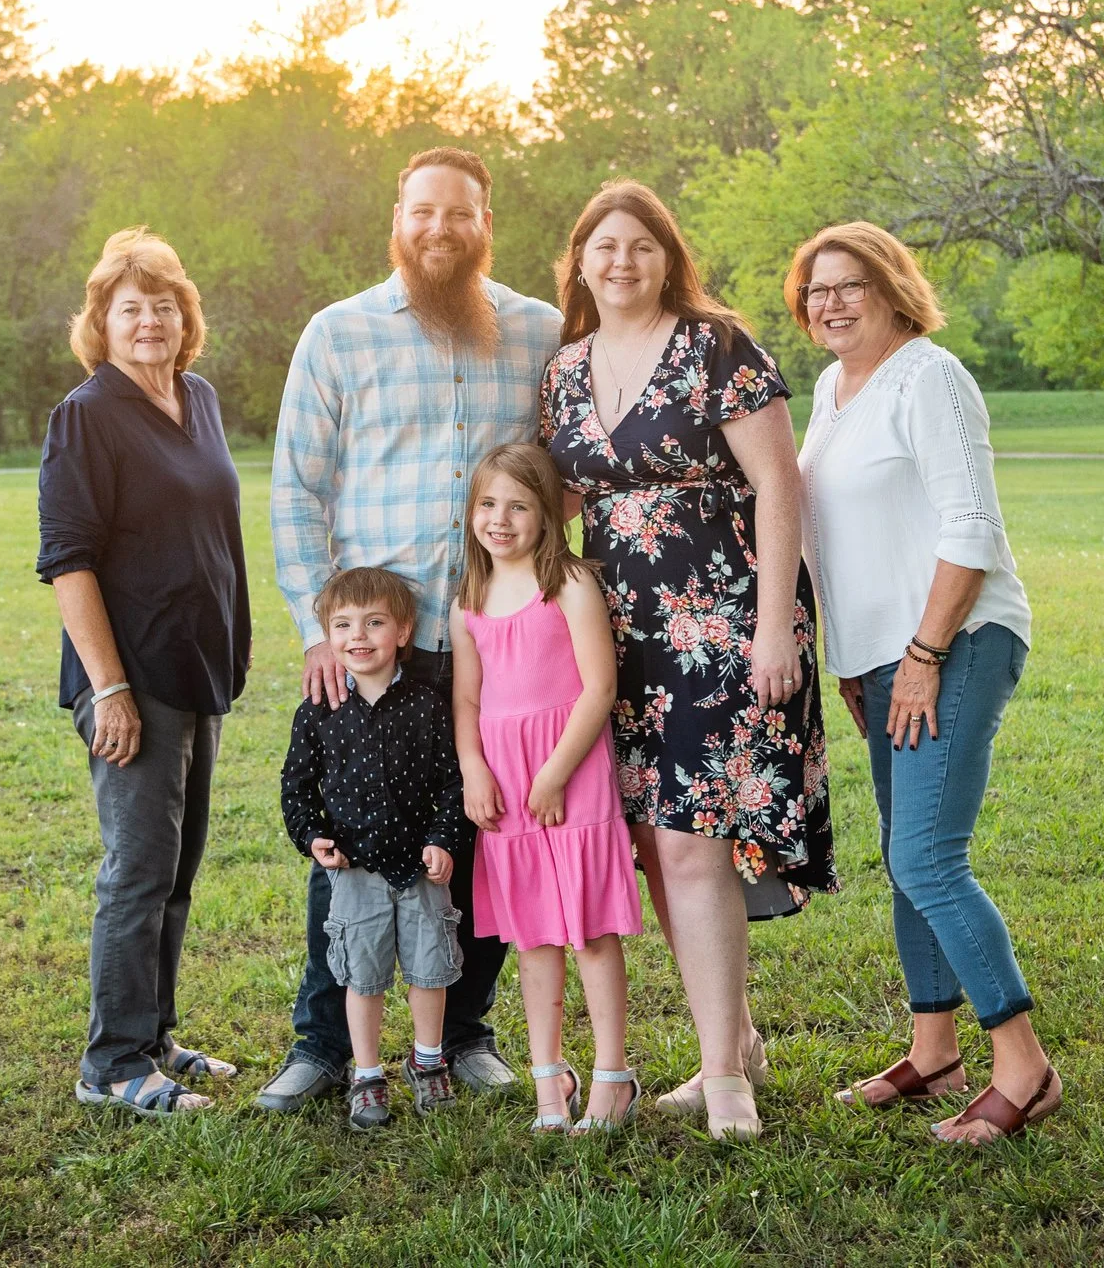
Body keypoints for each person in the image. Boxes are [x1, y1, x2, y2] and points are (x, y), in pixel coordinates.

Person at [259, 146, 565, 1113]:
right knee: (346, 836)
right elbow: (296, 488)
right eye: (424, 210)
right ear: (397, 215)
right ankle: (323, 1041)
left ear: (486, 221)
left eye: (461, 213)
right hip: (377, 645)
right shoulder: (339, 334)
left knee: (476, 836)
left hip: (493, 639)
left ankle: (463, 1031)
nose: (442, 228)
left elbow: (571, 473)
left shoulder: (537, 332)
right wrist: (320, 632)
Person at [538, 180, 833, 1142]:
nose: (622, 262)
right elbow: (570, 504)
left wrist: (776, 622)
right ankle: (733, 1040)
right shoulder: (564, 369)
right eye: (604, 246)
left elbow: (778, 485)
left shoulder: (718, 347)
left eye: (641, 246)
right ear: (579, 261)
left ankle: (723, 1080)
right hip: (615, 636)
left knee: (691, 841)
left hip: (720, 621)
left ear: (669, 258)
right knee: (655, 847)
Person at [789, 221, 1062, 1142]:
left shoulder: (930, 375)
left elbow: (971, 526)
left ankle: (1025, 1068)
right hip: (883, 658)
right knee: (909, 859)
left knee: (928, 857)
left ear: (892, 286)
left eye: (849, 284)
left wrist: (922, 653)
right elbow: (841, 534)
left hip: (957, 639)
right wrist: (858, 662)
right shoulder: (833, 386)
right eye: (816, 289)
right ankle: (935, 1051)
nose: (830, 301)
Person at [35, 227, 250, 1118]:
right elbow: (67, 559)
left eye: (164, 305)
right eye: (131, 309)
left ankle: (155, 1034)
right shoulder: (86, 415)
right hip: (134, 682)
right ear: (103, 323)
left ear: (184, 316)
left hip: (196, 673)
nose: (150, 321)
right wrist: (109, 687)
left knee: (177, 866)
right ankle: (113, 1062)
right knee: (136, 870)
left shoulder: (196, 398)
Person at [449, 443, 643, 1135]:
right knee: (532, 936)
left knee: (587, 928)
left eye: (519, 505)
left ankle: (613, 1077)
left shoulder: (569, 583)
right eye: (488, 504)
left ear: (548, 513)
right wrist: (474, 767)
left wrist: (555, 773)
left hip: (569, 771)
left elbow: (600, 687)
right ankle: (547, 1080)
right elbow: (467, 702)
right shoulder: (468, 600)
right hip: (504, 781)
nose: (500, 519)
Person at [279, 567, 472, 1131]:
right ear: (327, 634)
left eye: (374, 622)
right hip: (355, 869)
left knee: (429, 969)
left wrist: (443, 839)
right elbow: (297, 784)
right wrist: (312, 836)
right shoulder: (320, 709)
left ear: (404, 631)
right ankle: (366, 1073)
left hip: (420, 869)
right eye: (342, 625)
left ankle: (428, 1060)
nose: (357, 636)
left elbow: (450, 781)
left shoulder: (427, 705)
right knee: (362, 976)